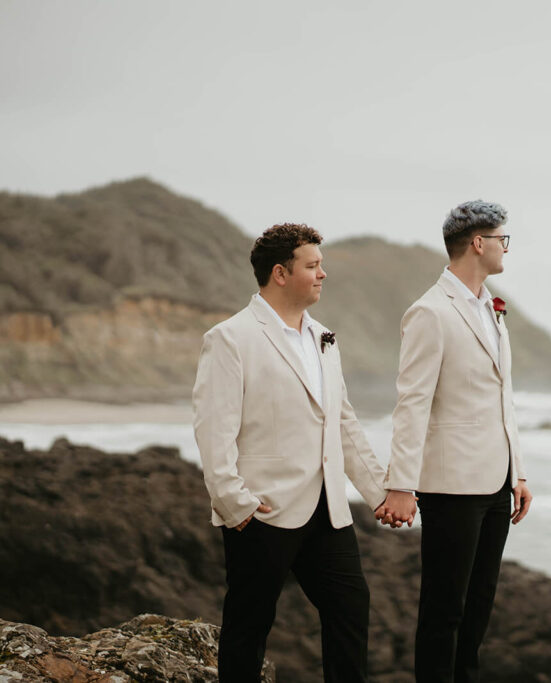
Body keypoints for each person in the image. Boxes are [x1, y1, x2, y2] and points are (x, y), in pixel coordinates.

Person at [192, 223, 406, 683]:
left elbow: (342, 422)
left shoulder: (324, 337)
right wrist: (234, 503)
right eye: (313, 266)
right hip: (262, 509)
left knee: (351, 608)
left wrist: (380, 493)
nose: (322, 274)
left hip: (327, 510)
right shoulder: (231, 338)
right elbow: (214, 428)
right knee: (250, 623)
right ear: (280, 273)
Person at [376, 200, 532, 682]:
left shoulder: (492, 308)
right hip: (449, 485)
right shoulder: (429, 312)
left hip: (495, 484)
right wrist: (402, 484)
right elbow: (412, 403)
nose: (507, 247)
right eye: (503, 238)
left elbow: (502, 400)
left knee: (479, 606)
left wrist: (518, 472)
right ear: (478, 243)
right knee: (445, 609)